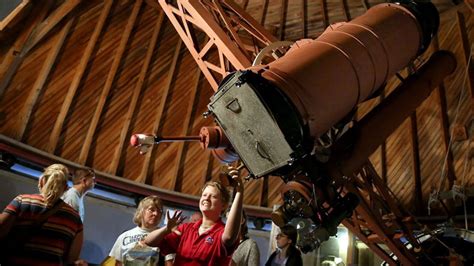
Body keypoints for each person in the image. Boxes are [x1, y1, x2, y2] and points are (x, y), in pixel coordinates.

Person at [144, 177, 244, 265]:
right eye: (204, 195)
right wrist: (166, 229)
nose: (206, 198)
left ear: (224, 205)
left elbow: (229, 237)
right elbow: (149, 241)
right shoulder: (185, 228)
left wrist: (239, 192)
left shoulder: (222, 232)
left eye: (213, 196)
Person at [0, 163, 84, 265]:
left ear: (41, 181)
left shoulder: (22, 201)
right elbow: (72, 259)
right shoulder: (75, 218)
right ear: (66, 188)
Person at [109, 195, 170, 266]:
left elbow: (170, 262)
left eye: (159, 211)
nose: (156, 214)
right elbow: (115, 262)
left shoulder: (166, 237)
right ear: (141, 211)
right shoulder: (124, 236)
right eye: (151, 210)